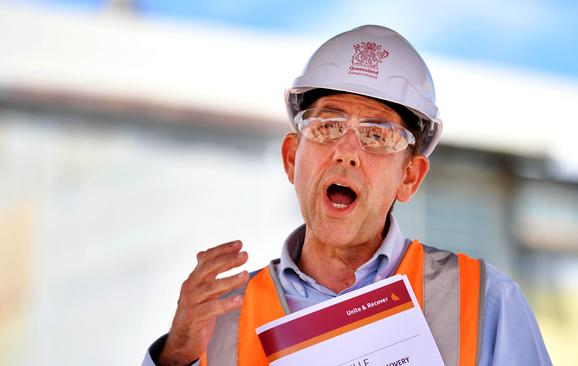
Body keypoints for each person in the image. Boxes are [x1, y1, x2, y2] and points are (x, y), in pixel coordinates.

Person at [142, 25, 551, 366]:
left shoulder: (484, 303)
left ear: (410, 176)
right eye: (327, 126)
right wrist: (177, 354)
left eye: (376, 135)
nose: (346, 152)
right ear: (291, 158)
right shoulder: (219, 320)